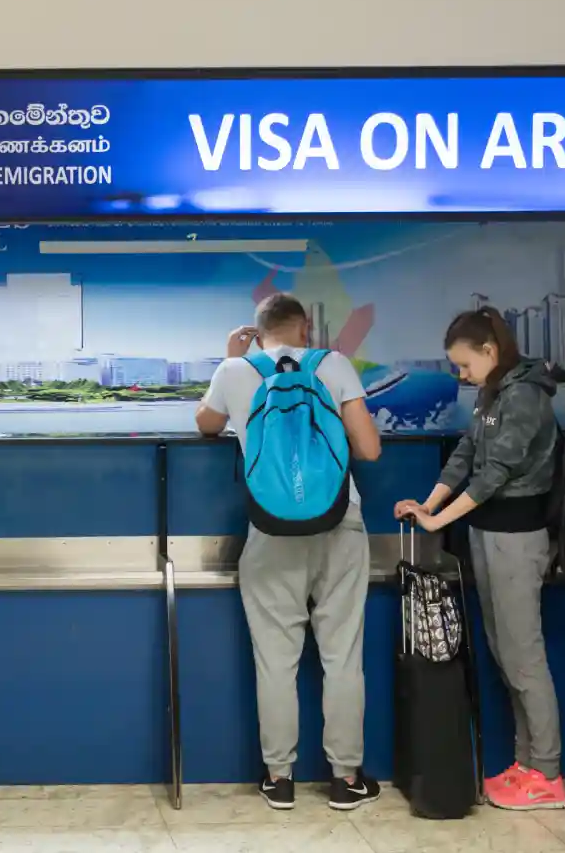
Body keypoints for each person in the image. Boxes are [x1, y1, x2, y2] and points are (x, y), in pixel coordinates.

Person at [195, 292, 383, 811]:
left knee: (275, 660)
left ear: (258, 331)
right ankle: (345, 780)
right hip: (338, 522)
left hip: (270, 530)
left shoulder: (234, 370)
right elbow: (369, 449)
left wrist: (229, 357)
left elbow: (207, 425)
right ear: (304, 326)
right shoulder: (335, 364)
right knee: (342, 655)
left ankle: (279, 778)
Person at [394, 306, 565, 811]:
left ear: (490, 351)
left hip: (517, 536)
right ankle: (525, 763)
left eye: (465, 366)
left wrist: (439, 521)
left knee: (524, 656)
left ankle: (548, 774)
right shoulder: (493, 394)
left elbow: (494, 474)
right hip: (486, 534)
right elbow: (467, 455)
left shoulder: (526, 396)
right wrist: (429, 502)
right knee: (504, 653)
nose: (462, 377)